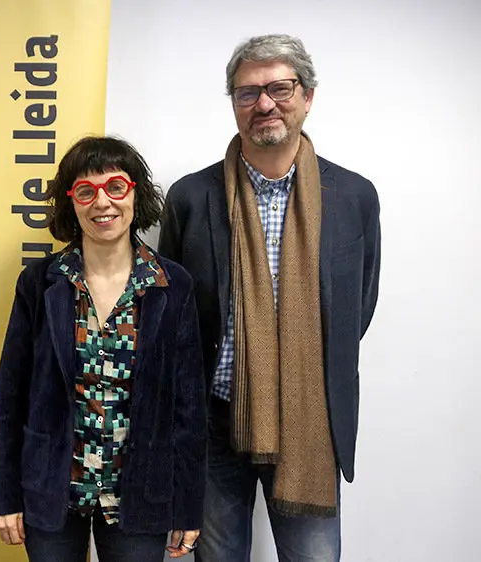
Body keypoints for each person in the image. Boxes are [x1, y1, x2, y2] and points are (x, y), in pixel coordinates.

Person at [157, 34, 381, 561]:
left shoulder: (353, 197)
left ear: (307, 96)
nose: (264, 104)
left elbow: (358, 306)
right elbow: (173, 314)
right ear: (234, 104)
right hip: (214, 424)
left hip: (311, 421)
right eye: (247, 93)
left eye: (280, 88)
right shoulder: (192, 197)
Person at [0, 136, 206, 561]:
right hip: (51, 489)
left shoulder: (171, 285)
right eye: (86, 191)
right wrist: (4, 495)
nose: (102, 202)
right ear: (71, 203)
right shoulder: (41, 284)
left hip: (140, 492)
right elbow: (9, 399)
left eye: (115, 187)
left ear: (135, 193)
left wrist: (188, 504)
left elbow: (189, 410)